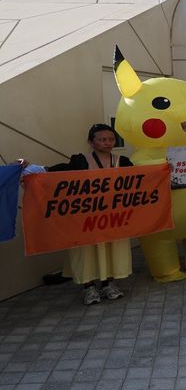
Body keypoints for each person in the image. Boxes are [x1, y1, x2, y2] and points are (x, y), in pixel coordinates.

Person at [33, 124, 134, 305]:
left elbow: (141, 180)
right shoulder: (80, 161)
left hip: (113, 217)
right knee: (85, 251)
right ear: (91, 142)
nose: (107, 143)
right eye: (102, 139)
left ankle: (108, 283)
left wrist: (165, 170)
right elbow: (59, 173)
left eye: (111, 139)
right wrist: (33, 170)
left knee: (111, 249)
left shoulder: (123, 161)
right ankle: (89, 288)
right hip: (85, 218)